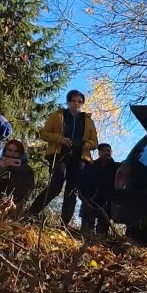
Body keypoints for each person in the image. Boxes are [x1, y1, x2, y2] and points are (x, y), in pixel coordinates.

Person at [27, 89, 99, 225]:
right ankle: (31, 213)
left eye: (79, 101)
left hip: (80, 158)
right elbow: (44, 133)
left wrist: (87, 144)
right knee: (55, 185)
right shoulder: (58, 116)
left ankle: (64, 225)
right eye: (73, 101)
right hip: (59, 154)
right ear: (68, 102)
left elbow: (95, 142)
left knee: (72, 190)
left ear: (82, 103)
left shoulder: (88, 121)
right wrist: (60, 139)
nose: (76, 104)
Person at [79, 143, 119, 237]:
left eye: (108, 151)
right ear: (99, 153)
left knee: (102, 230)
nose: (106, 153)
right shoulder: (91, 166)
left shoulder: (117, 167)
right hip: (90, 199)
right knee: (86, 231)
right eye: (103, 151)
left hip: (107, 200)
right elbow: (83, 182)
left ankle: (99, 241)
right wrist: (84, 197)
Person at [0, 139, 35, 209]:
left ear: (20, 153)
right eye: (9, 150)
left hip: (14, 204)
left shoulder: (26, 170)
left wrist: (15, 204)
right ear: (5, 150)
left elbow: (27, 191)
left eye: (16, 151)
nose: (12, 154)